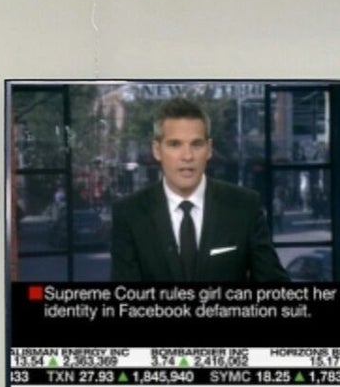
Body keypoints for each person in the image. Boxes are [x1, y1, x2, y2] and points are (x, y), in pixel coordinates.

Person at [106, 100, 289, 284]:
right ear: (157, 150)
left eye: (196, 144)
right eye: (175, 144)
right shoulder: (130, 213)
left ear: (209, 149)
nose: (187, 156)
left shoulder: (245, 206)